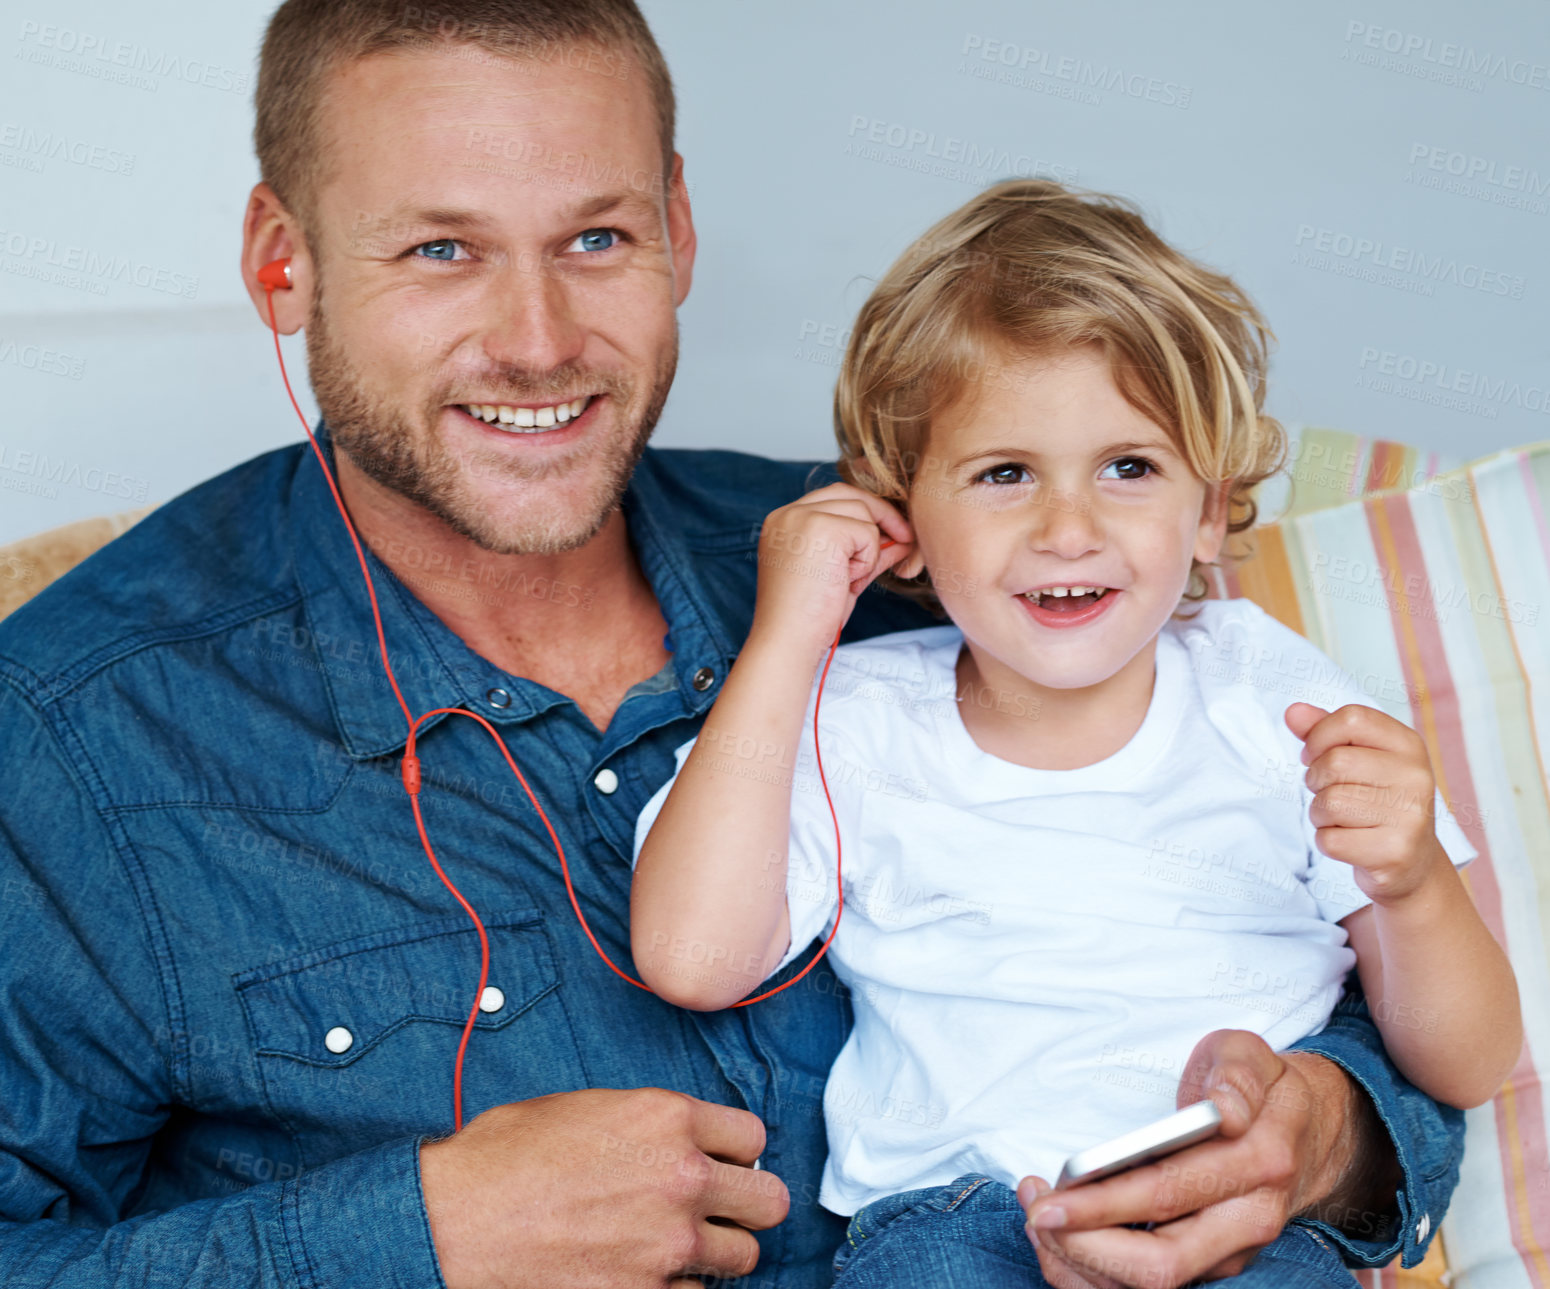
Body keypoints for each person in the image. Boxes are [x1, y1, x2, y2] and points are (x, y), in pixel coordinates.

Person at [0, 2, 1477, 1285]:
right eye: (441, 249)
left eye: (597, 236)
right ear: (284, 263)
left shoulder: (925, 560)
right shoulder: (77, 733)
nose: (535, 337)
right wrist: (422, 1236)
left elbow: (1281, 935)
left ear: (679, 229)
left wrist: (1324, 1137)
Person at [630, 179, 1522, 1287]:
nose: (1066, 528)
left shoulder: (1270, 693)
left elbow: (1472, 1060)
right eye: (1003, 473)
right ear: (902, 516)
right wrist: (785, 638)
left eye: (1127, 467)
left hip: (1243, 1219)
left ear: (1206, 510)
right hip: (955, 1226)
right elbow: (690, 958)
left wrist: (1408, 883)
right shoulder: (851, 716)